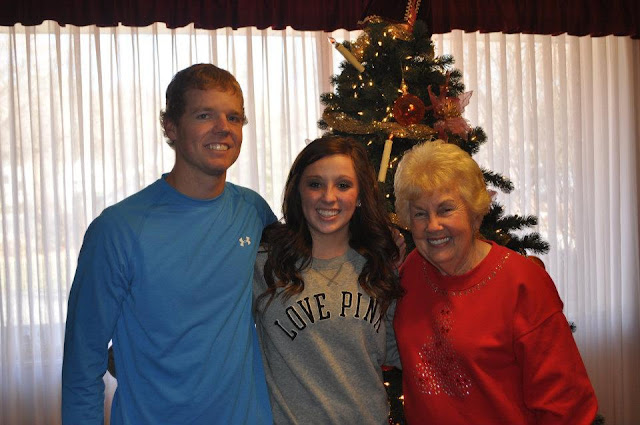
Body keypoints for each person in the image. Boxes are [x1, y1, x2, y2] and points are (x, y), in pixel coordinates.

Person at [62, 64, 276, 425]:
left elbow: (306, 273)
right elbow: (83, 364)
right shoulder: (118, 229)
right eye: (204, 115)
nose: (223, 127)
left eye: (234, 117)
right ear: (171, 127)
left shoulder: (253, 211)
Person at [392, 140, 598, 424]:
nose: (433, 225)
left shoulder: (522, 283)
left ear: (474, 213)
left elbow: (567, 405)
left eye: (446, 209)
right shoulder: (411, 271)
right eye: (420, 213)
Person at [253, 136, 404, 424]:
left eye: (343, 185)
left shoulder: (379, 265)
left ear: (360, 196)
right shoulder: (265, 264)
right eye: (315, 184)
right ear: (298, 191)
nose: (328, 197)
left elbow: (396, 349)